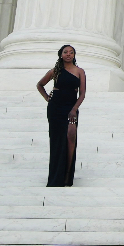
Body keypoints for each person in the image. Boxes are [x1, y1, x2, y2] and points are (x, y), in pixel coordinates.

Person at [37, 44, 86, 188]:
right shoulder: (55, 71)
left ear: (74, 55)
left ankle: (67, 176)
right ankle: (55, 177)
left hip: (71, 107)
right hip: (55, 108)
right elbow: (40, 84)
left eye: (71, 52)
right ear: (61, 55)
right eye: (66, 52)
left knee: (71, 138)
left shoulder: (80, 71)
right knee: (57, 141)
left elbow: (82, 93)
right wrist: (47, 98)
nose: (68, 54)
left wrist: (74, 109)